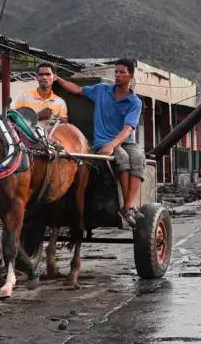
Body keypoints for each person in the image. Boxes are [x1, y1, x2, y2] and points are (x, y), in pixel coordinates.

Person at [55, 58, 145, 227]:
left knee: (138, 157)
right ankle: (126, 208)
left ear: (131, 76)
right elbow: (77, 89)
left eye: (122, 72)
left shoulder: (135, 102)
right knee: (122, 157)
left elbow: (127, 129)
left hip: (124, 140)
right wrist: (57, 78)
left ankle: (129, 205)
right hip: (103, 141)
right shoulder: (102, 90)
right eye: (116, 72)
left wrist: (113, 144)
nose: (117, 75)